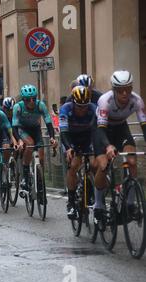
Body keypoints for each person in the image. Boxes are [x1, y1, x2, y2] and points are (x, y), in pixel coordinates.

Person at [93, 70, 146, 225]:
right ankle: (98, 205)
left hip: (121, 128)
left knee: (132, 160)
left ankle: (130, 204)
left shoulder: (137, 100)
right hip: (101, 130)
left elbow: (144, 126)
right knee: (103, 164)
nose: (125, 93)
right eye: (120, 90)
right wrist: (108, 146)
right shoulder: (105, 101)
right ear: (114, 90)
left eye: (128, 89)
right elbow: (101, 128)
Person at [59, 86, 98, 220]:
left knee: (94, 164)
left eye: (85, 106)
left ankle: (92, 191)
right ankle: (70, 201)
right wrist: (69, 148)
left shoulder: (93, 109)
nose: (82, 110)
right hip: (71, 139)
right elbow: (63, 132)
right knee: (74, 165)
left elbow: (99, 130)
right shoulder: (66, 109)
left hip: (88, 139)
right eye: (79, 107)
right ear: (74, 103)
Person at [12, 84, 58, 194]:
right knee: (30, 144)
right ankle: (25, 176)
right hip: (23, 130)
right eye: (28, 99)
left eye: (34, 98)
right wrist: (19, 140)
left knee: (41, 156)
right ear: (24, 100)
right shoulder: (18, 107)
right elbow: (14, 127)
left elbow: (48, 123)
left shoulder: (40, 105)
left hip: (36, 129)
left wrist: (52, 138)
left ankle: (40, 181)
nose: (32, 101)